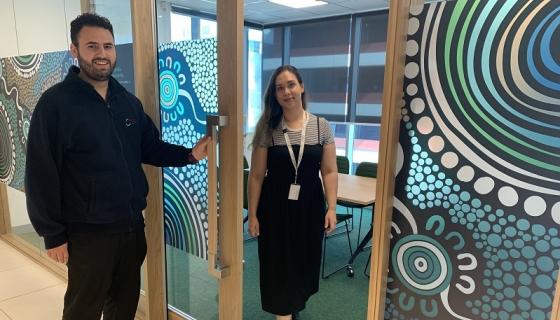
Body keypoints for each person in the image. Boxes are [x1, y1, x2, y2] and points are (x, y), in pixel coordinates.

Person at [24, 13, 210, 320]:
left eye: (108, 46)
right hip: (87, 232)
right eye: (92, 46)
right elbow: (41, 174)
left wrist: (190, 154)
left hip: (130, 226)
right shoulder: (56, 104)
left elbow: (150, 147)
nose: (102, 54)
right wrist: (52, 234)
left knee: (123, 305)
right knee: (83, 308)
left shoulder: (127, 102)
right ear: (75, 49)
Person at [247, 65, 338, 320]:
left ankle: (293, 303)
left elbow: (330, 171)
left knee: (303, 259)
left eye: (290, 85)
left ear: (301, 87)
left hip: (309, 206)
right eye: (279, 88)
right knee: (277, 263)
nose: (286, 91)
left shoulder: (321, 127)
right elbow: (256, 175)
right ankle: (283, 311)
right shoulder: (268, 128)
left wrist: (331, 207)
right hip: (275, 208)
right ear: (274, 95)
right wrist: (252, 214)